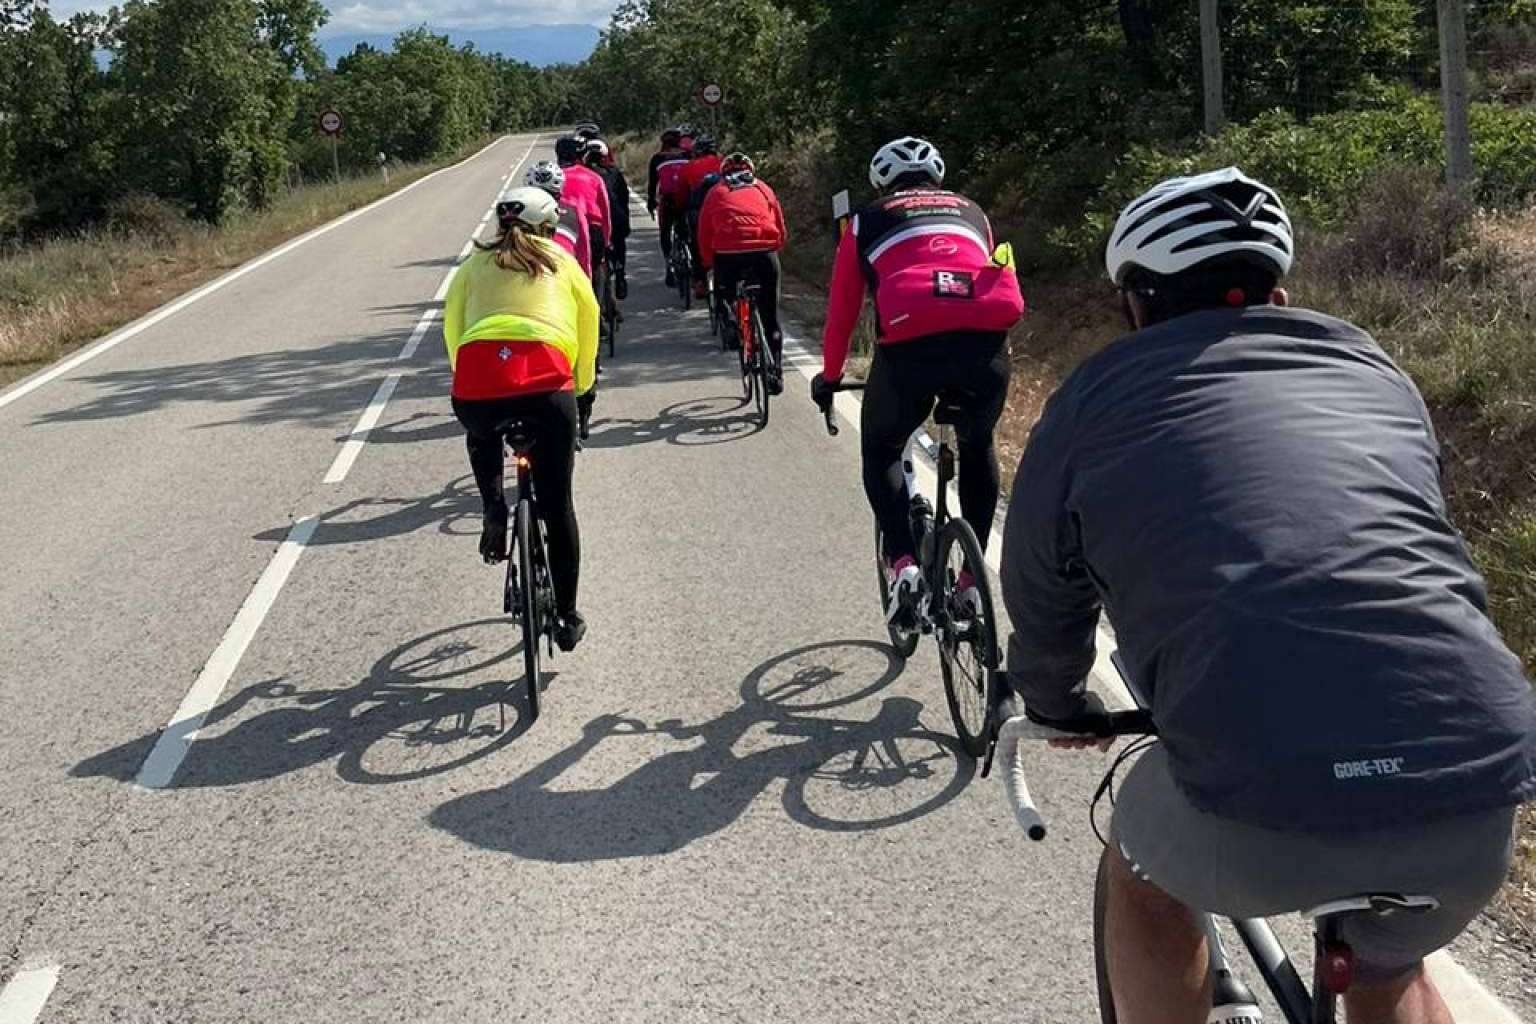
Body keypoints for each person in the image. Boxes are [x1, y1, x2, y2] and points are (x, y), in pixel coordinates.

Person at [998, 167, 1536, 1024]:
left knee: (1141, 873)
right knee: (1389, 966)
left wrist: (1058, 700)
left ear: (1134, 306)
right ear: (1279, 295)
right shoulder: (1371, 365)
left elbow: (1041, 583)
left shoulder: (1093, 397)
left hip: (1255, 803)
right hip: (1476, 784)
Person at [810, 136, 1025, 625]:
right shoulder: (973, 211)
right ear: (938, 178)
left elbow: (842, 313)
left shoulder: (865, 220)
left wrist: (830, 377)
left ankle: (903, 563)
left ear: (881, 182)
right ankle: (970, 583)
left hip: (911, 347)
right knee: (978, 445)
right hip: (984, 346)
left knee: (882, 449)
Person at [442, 186, 598, 652]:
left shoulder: (473, 264)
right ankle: (566, 616)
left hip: (478, 381)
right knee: (558, 506)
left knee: (481, 434)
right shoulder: (561, 261)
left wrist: (468, 378)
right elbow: (589, 320)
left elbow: (452, 329)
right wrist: (583, 387)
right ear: (548, 226)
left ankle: (493, 508)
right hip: (547, 385)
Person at [698, 153, 787, 391]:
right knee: (770, 318)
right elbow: (779, 226)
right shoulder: (763, 189)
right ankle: (776, 372)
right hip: (764, 252)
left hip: (728, 254)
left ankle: (729, 317)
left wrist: (708, 264)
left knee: (724, 293)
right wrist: (774, 248)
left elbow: (704, 233)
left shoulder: (715, 192)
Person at [554, 135, 612, 278]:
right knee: (595, 271)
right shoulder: (594, 177)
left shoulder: (553, 178)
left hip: (561, 229)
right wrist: (606, 242)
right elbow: (605, 214)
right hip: (592, 229)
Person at [525, 161, 591, 280]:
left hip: (530, 277)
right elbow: (584, 254)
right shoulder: (574, 211)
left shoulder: (519, 215)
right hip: (566, 273)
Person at [585, 138, 632, 300]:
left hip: (594, 221)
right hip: (615, 218)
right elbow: (624, 198)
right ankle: (620, 274)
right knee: (619, 243)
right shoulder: (614, 173)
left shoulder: (584, 175)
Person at [680, 134, 723, 298]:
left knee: (697, 243)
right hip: (722, 211)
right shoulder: (723, 163)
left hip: (698, 211)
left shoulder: (689, 167)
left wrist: (680, 208)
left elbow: (681, 194)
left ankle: (700, 281)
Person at [649, 128, 691, 286]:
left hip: (667, 200)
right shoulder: (688, 156)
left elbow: (652, 185)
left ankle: (669, 264)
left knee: (665, 232)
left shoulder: (657, 158)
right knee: (688, 232)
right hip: (685, 199)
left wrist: (651, 203)